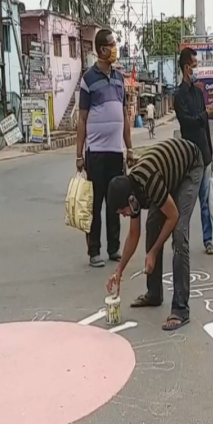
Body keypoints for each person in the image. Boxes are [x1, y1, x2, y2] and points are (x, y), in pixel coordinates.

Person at [106, 138, 203, 331]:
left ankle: (181, 309)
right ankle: (154, 293)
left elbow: (173, 215)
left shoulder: (148, 181)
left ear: (131, 200)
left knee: (178, 234)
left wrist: (154, 251)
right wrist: (119, 270)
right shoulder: (132, 193)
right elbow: (134, 235)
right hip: (168, 176)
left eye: (123, 211)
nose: (125, 215)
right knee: (152, 225)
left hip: (189, 168)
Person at [76, 28, 134, 268]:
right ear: (101, 49)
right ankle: (94, 251)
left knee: (115, 201)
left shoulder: (120, 79)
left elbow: (124, 115)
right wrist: (79, 154)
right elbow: (81, 118)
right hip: (96, 152)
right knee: (96, 201)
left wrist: (129, 149)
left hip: (115, 151)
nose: (114, 48)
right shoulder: (88, 79)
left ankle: (113, 248)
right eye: (111, 44)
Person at [174, 47, 213, 255]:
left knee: (205, 200)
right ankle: (182, 241)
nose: (197, 69)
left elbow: (204, 127)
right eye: (194, 66)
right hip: (188, 157)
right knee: (187, 202)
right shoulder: (179, 95)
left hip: (204, 154)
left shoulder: (199, 93)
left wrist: (210, 153)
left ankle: (208, 240)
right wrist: (205, 114)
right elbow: (187, 123)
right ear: (186, 68)